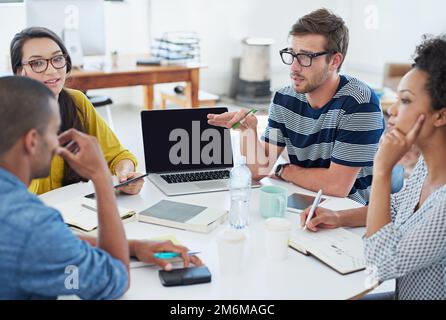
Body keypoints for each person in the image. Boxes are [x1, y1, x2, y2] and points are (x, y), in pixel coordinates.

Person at [0, 76, 202, 299]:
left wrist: (132, 246)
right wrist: (102, 179)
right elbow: (113, 279)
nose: (56, 143)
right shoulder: (31, 224)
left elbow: (51, 242)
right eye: (53, 131)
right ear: (32, 141)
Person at [303, 35, 446, 300]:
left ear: (441, 115)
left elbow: (380, 265)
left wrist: (382, 170)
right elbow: (396, 207)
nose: (392, 112)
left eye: (405, 100)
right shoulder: (428, 166)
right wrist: (339, 217)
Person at [208, 8, 384, 205]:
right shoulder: (284, 99)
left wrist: (286, 171)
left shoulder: (360, 104)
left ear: (334, 60)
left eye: (306, 57)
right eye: (292, 54)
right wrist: (248, 131)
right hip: (301, 201)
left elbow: (337, 186)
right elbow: (259, 171)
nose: (294, 67)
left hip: (348, 213)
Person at [10, 27, 143, 195]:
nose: (51, 70)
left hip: (76, 212)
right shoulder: (8, 120)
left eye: (57, 59)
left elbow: (117, 156)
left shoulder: (77, 102)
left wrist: (126, 175)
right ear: (20, 72)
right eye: (37, 63)